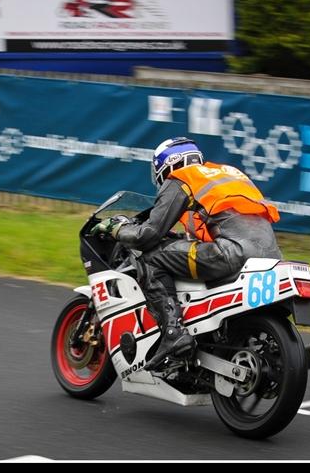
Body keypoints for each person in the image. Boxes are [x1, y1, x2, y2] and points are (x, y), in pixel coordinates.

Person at [91, 137, 282, 370]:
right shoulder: (228, 173)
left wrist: (117, 229)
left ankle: (173, 332)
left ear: (166, 165)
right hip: (270, 256)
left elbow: (148, 235)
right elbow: (219, 227)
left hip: (230, 253)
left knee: (151, 257)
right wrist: (177, 238)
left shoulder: (182, 178)